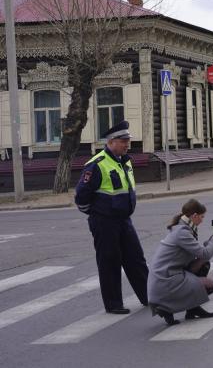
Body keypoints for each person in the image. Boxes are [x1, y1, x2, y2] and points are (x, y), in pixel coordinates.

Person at [75, 120, 149, 314]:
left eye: (128, 140)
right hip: (104, 222)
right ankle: (114, 304)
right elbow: (81, 196)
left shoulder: (125, 161)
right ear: (111, 141)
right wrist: (97, 213)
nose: (127, 144)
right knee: (110, 262)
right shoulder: (96, 165)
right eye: (123, 141)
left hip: (124, 219)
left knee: (136, 259)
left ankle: (149, 296)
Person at [148, 199, 213, 325]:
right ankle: (165, 307)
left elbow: (202, 254)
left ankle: (193, 309)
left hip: (169, 274)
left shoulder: (183, 227)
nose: (202, 220)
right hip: (166, 280)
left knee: (203, 264)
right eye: (202, 217)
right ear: (194, 216)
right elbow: (205, 253)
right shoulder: (182, 232)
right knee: (210, 284)